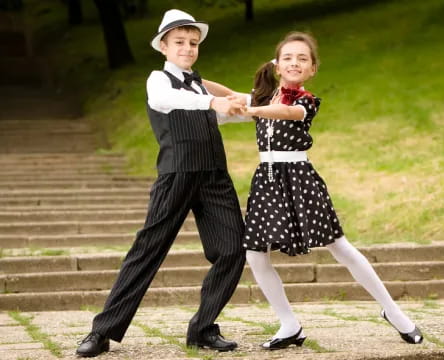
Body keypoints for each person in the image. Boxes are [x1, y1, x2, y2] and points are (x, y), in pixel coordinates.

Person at [76, 9, 248, 357]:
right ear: (164, 47)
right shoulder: (159, 80)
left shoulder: (200, 85)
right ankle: (102, 331)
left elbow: (231, 112)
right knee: (147, 251)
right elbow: (166, 101)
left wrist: (263, 101)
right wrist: (212, 99)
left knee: (233, 248)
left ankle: (202, 328)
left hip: (214, 176)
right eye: (180, 42)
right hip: (176, 176)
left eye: (193, 43)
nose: (187, 48)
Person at [238, 32, 424, 349]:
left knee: (340, 247)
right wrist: (198, 86)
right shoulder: (262, 98)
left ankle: (393, 311)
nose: (295, 62)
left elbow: (289, 114)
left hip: (299, 179)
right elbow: (228, 95)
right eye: (288, 57)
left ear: (312, 69)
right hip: (267, 181)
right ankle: (289, 324)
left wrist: (251, 111)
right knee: (255, 254)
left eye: (303, 58)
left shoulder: (305, 101)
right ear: (277, 65)